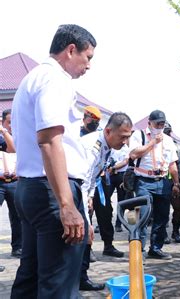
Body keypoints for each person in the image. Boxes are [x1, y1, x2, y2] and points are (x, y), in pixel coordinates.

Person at [11, 24, 96, 298]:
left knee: (31, 279)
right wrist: (67, 205)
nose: (89, 66)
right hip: (51, 191)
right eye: (88, 57)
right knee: (59, 286)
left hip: (33, 188)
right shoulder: (55, 80)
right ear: (71, 50)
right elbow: (49, 140)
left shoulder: (34, 77)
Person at [78, 112, 132, 291]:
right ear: (108, 131)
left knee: (85, 236)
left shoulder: (107, 146)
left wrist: (91, 197)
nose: (125, 141)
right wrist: (85, 216)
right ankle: (74, 280)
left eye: (128, 137)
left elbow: (93, 177)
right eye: (122, 136)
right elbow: (82, 179)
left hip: (85, 191)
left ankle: (80, 278)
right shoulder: (92, 146)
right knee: (83, 234)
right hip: (72, 191)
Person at [129, 110, 180, 260]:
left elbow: (172, 164)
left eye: (162, 123)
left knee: (162, 217)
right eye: (157, 123)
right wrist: (153, 142)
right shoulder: (139, 135)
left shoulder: (168, 140)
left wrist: (176, 183)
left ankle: (156, 248)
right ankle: (139, 251)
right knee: (142, 216)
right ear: (149, 122)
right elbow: (133, 154)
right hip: (144, 181)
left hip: (163, 181)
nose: (160, 126)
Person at [0, 109, 22, 258]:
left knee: (17, 217)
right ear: (3, 122)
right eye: (9, 122)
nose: (11, 126)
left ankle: (17, 247)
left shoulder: (19, 137)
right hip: (0, 182)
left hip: (15, 182)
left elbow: (14, 149)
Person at [108, 142, 130, 233]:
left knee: (121, 201)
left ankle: (118, 223)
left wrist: (113, 168)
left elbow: (125, 161)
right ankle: (106, 220)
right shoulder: (110, 146)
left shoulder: (126, 148)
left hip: (121, 175)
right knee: (105, 199)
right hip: (110, 175)